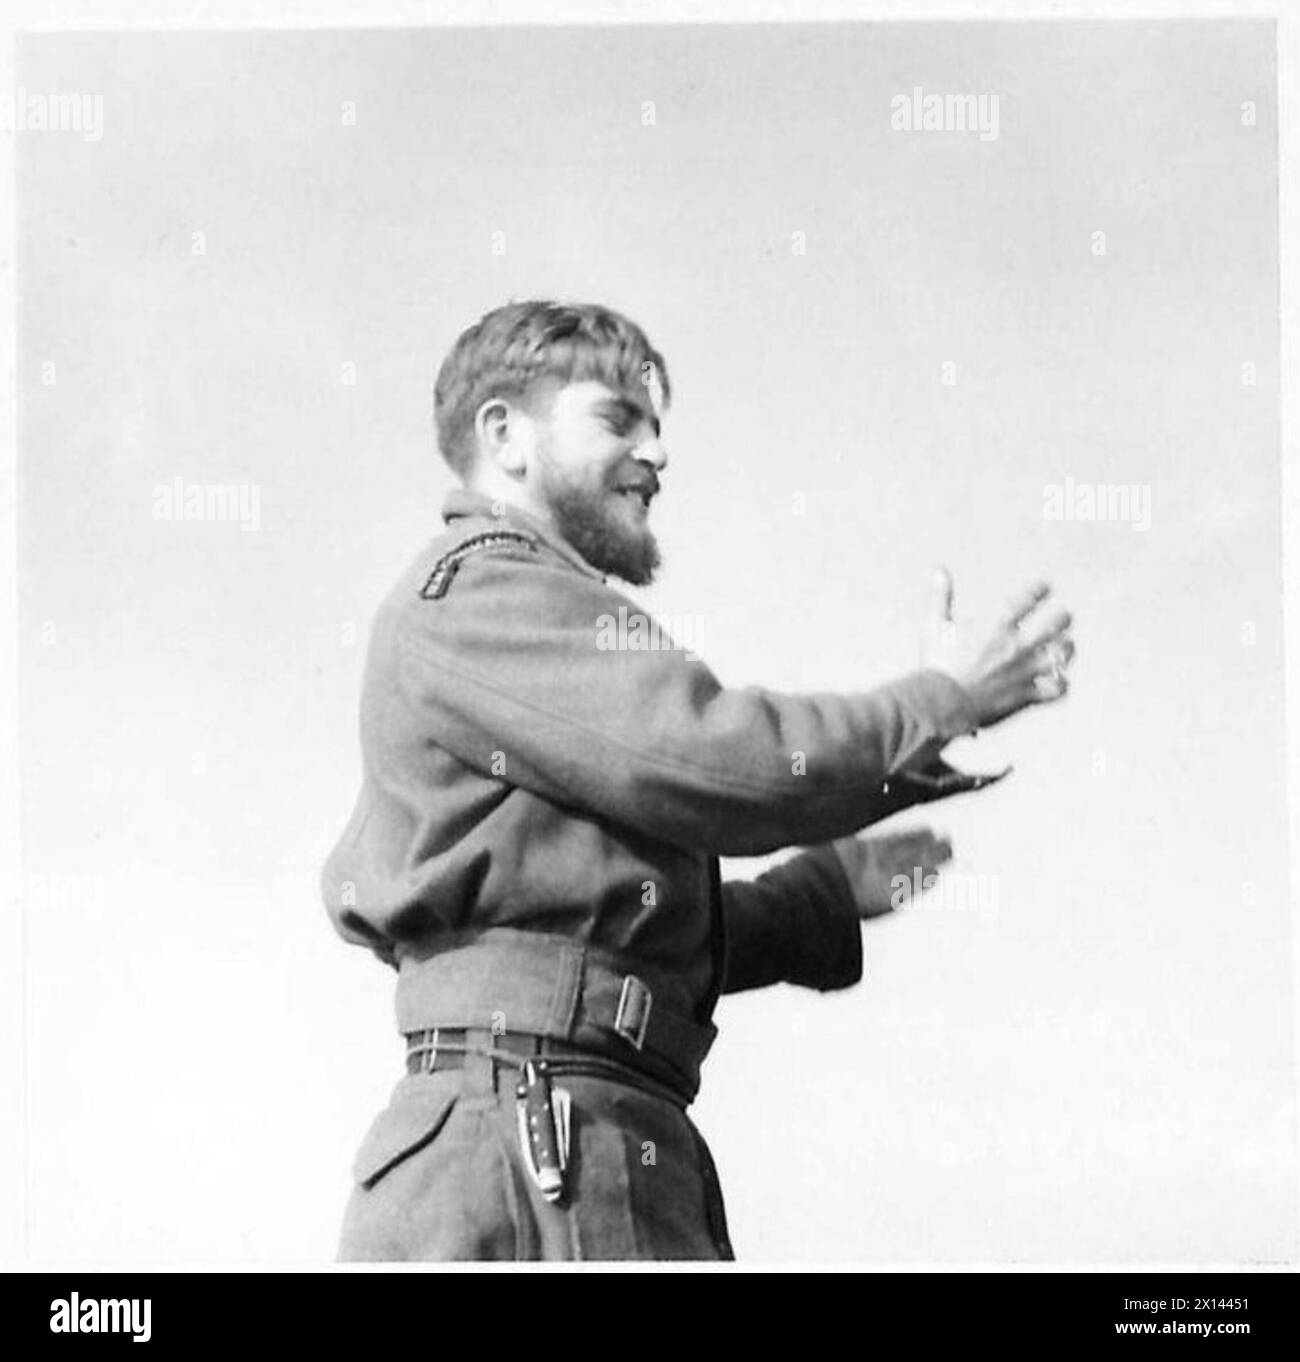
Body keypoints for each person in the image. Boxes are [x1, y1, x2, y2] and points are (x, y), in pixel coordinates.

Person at [322, 299, 1074, 1260]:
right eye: (617, 418)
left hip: (574, 1126)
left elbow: (610, 934)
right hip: (535, 1141)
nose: (658, 452)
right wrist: (942, 703)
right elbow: (723, 761)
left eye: (658, 424)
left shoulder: (528, 611)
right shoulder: (483, 594)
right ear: (504, 436)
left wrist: (819, 898)